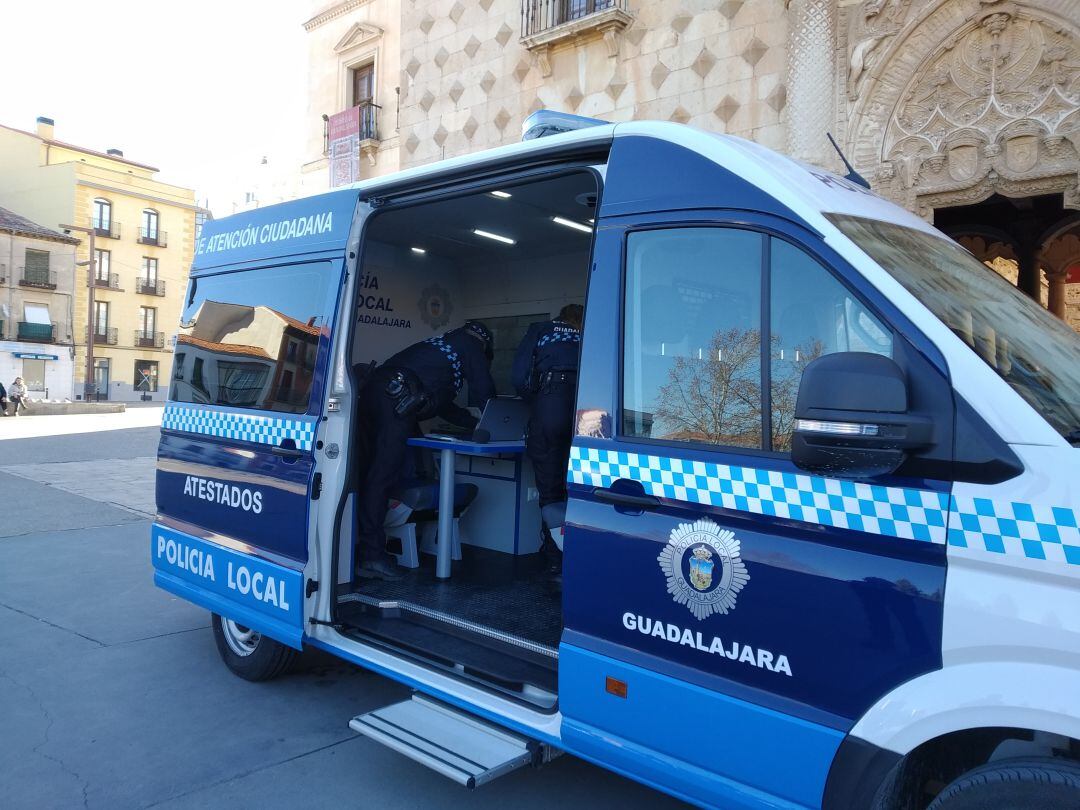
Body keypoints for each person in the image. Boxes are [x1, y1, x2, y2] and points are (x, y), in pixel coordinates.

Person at [355, 320, 496, 581]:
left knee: (371, 474)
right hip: (395, 396)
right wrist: (494, 420)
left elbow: (444, 405)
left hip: (379, 392)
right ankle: (371, 556)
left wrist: (475, 422)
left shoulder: (440, 351)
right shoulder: (471, 343)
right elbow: (483, 389)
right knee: (382, 476)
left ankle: (362, 550)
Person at [512, 304, 583, 580]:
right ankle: (578, 557)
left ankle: (556, 562)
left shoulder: (540, 330)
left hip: (551, 404)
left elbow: (518, 377)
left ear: (560, 317)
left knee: (551, 490)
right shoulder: (588, 334)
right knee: (577, 489)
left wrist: (538, 402)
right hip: (586, 411)